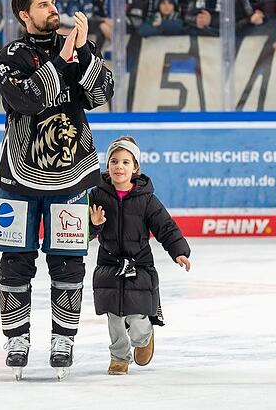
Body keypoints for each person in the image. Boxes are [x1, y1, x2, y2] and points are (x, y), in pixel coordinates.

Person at [0, 0, 114, 380]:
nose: (52, 8)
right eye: (43, 5)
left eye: (53, 2)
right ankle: (16, 339)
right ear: (25, 15)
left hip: (72, 178)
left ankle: (64, 339)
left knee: (68, 262)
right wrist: (62, 60)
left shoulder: (77, 47)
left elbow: (102, 95)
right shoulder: (9, 56)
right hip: (18, 177)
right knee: (15, 262)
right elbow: (27, 100)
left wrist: (85, 51)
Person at [88, 136, 191, 376]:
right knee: (114, 317)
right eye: (114, 161)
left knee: (137, 317)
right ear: (107, 166)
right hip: (109, 265)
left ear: (135, 168)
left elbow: (165, 226)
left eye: (125, 162)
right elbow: (83, 232)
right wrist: (95, 225)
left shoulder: (146, 199)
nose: (119, 167)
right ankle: (119, 357)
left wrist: (179, 251)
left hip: (139, 265)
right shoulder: (97, 195)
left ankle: (144, 338)